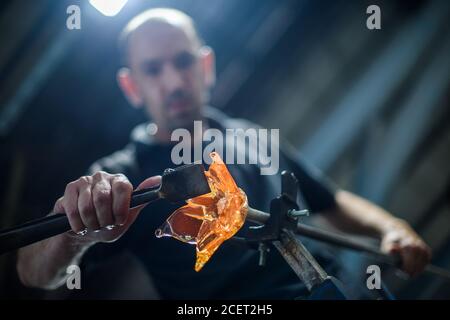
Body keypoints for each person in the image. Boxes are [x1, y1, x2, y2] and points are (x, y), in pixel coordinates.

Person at [16, 8, 431, 299]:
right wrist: (73, 231)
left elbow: (333, 201)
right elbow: (32, 273)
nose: (174, 81)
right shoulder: (121, 176)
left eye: (183, 62)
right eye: (153, 70)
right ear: (132, 87)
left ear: (206, 66)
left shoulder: (253, 136)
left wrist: (391, 226)